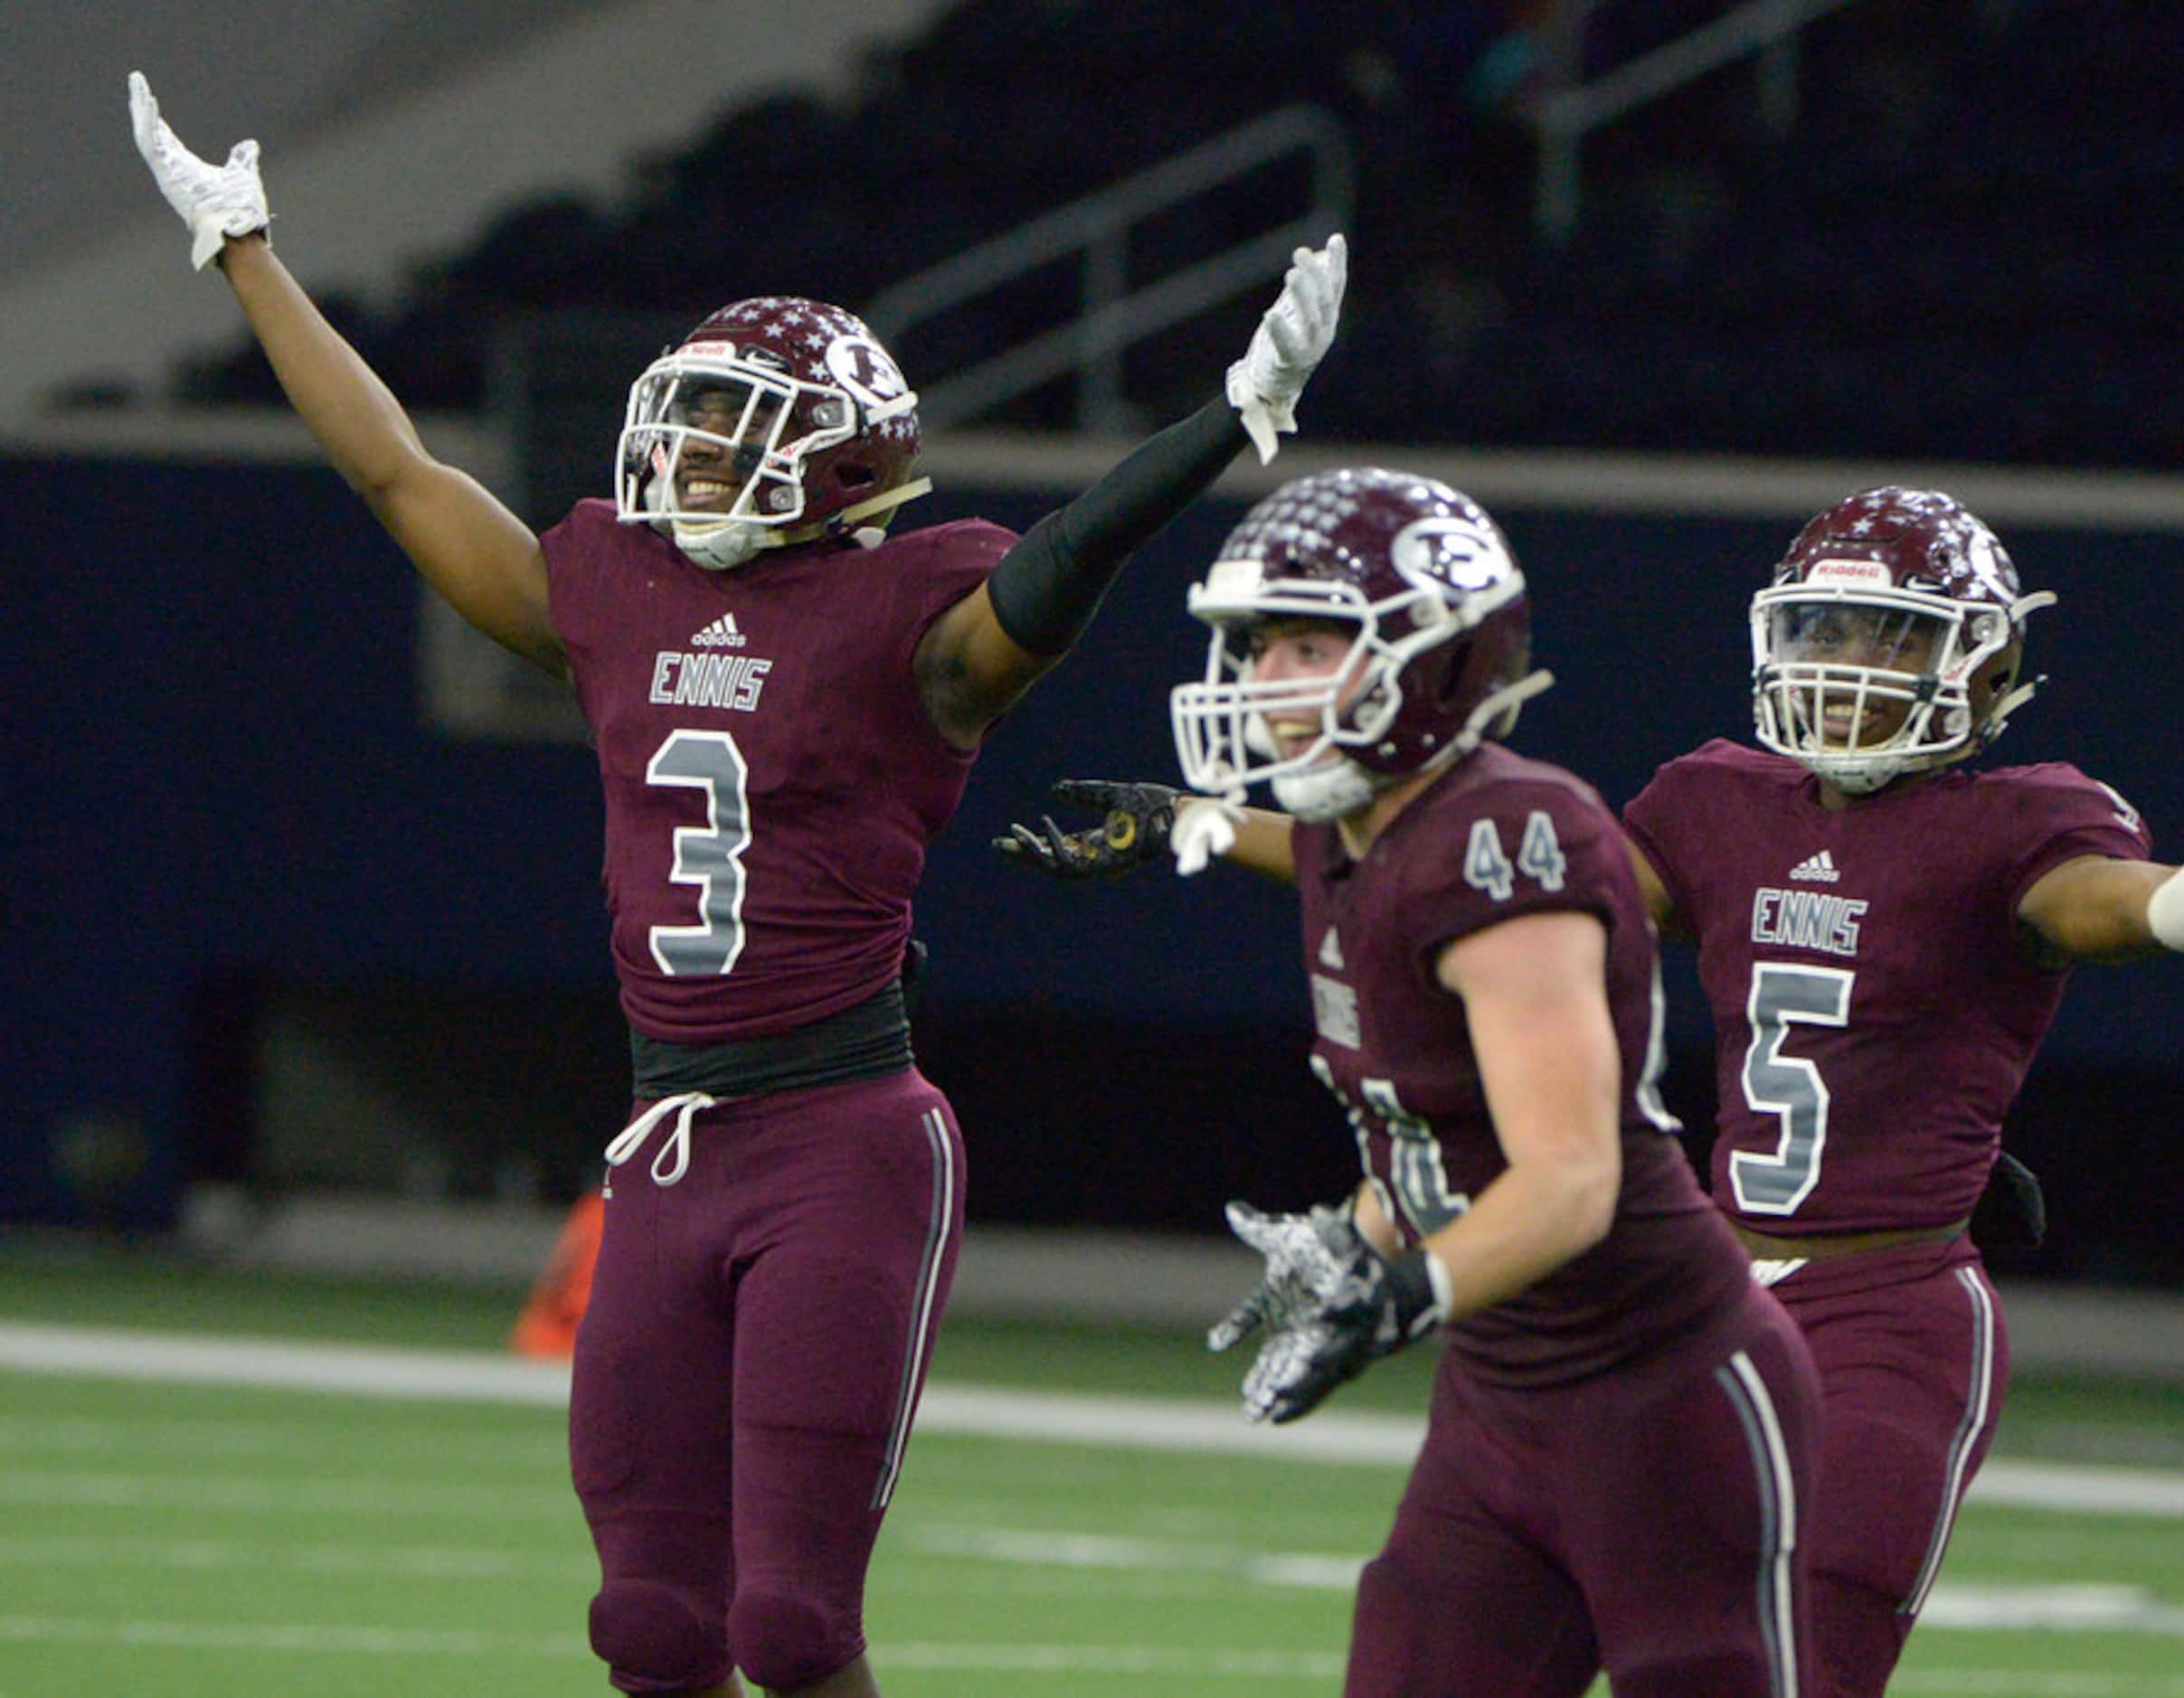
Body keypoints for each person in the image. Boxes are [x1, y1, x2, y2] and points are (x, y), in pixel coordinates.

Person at [129, 71, 1347, 1698]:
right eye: (689, 420)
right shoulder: (616, 589)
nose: (694, 455)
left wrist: (1226, 421)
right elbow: (403, 476)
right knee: (649, 1625)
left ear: (840, 466)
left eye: (736, 430)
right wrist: (244, 251)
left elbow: (1058, 573)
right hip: (664, 1135)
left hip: (839, 1138)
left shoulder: (912, 619)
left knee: (790, 1627)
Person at [997, 484, 2184, 1696]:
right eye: (1829, 631)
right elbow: (1504, 882)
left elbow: (2126, 906)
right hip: (1688, 1295)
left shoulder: (2016, 823)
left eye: (1893, 634)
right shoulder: (1718, 800)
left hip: (1880, 1313)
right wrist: (1197, 823)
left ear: (1984, 661)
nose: (1849, 665)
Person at [1158, 467, 1821, 1695]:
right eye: (1257, 647)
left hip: (1660, 1387)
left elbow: (1569, 1174)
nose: (1263, 683)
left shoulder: (1502, 835)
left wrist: (1401, 1291)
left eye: (1310, 644)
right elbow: (1432, 1126)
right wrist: (1355, 1232)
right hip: (1501, 1394)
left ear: (1429, 658)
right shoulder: (1341, 832)